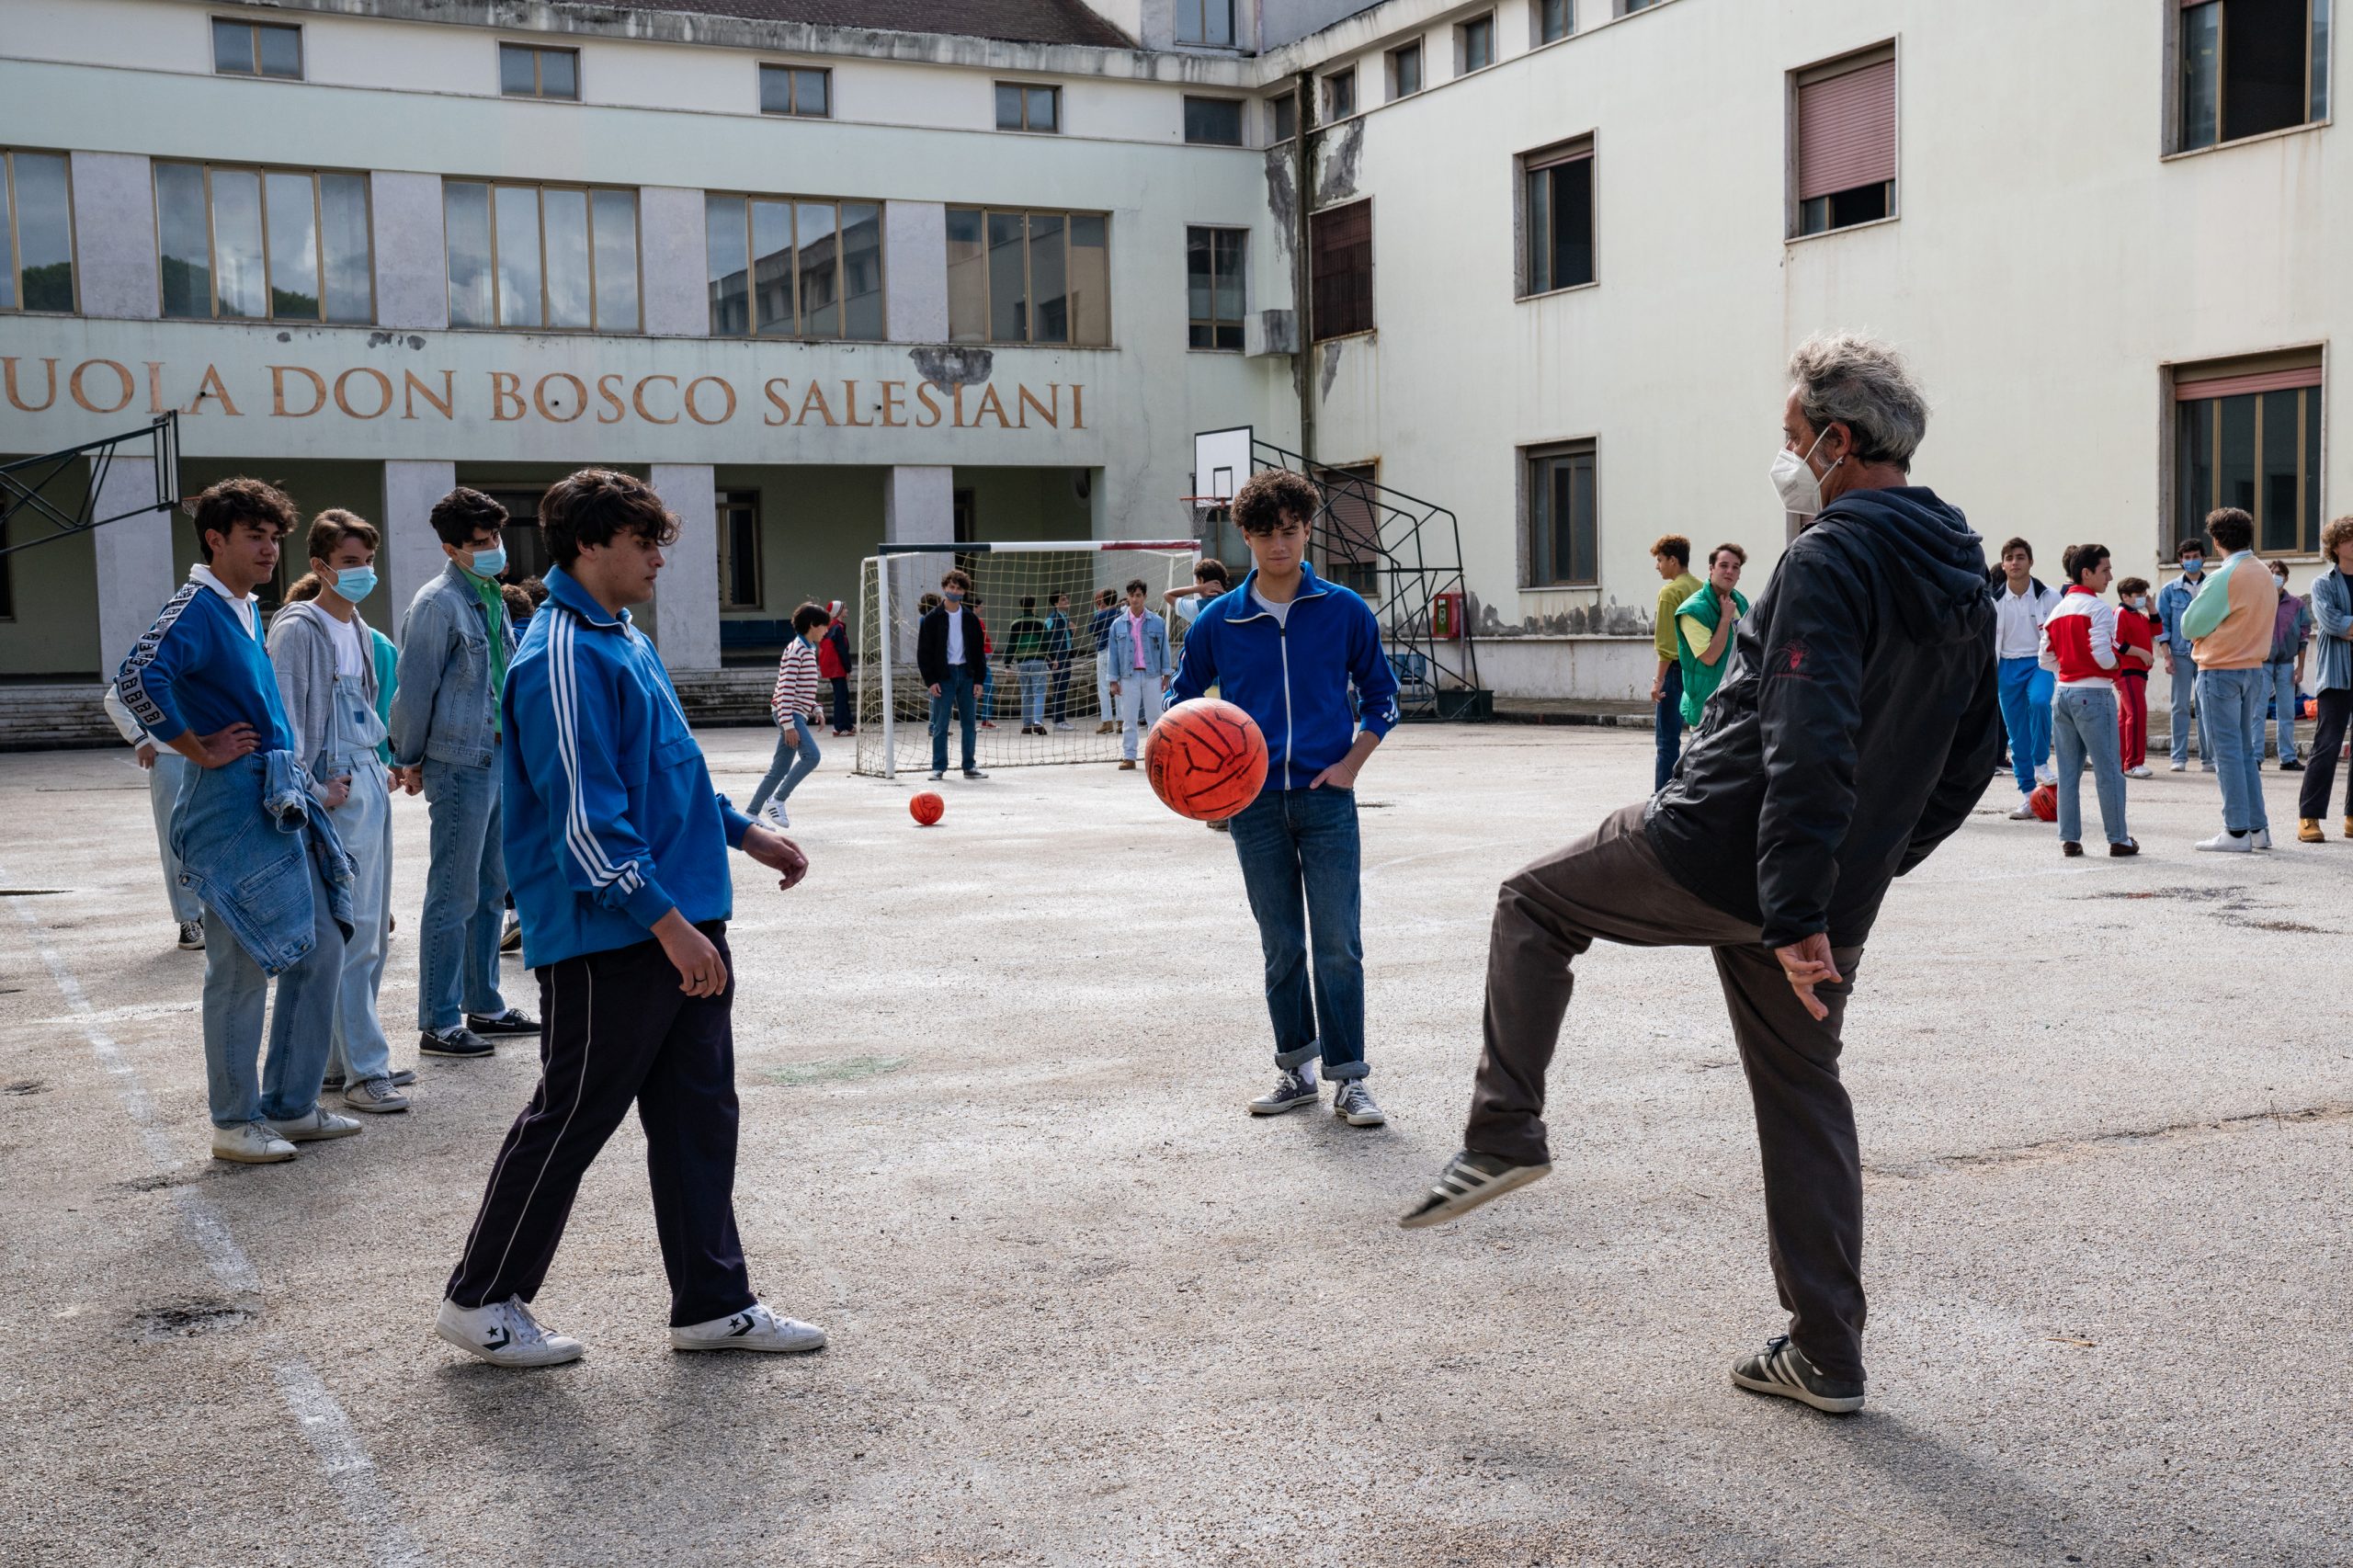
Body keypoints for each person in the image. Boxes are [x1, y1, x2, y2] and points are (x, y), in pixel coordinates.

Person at [1404, 335, 2001, 1419]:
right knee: (1802, 1095)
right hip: (1813, 889)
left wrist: (1796, 902)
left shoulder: (1828, 556)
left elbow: (1806, 737)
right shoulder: (1961, 567)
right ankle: (1825, 1353)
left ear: (1836, 439)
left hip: (1722, 850)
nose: (1784, 458)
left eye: (1790, 439)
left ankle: (1501, 1134)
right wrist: (1853, 878)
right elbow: (1972, 754)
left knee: (1533, 901)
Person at [436, 468, 823, 1368]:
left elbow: (669, 771)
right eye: (642, 541)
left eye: (660, 541)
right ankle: (481, 1296)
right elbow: (585, 818)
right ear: (587, 544)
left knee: (697, 1116)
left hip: (676, 916)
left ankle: (713, 1302)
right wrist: (666, 923)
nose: (658, 557)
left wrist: (744, 833)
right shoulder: (561, 652)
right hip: (614, 932)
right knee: (571, 1116)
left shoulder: (624, 638)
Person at [116, 479, 360, 1164]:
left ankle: (289, 1106)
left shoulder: (243, 606)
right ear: (215, 539)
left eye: (276, 536)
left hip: (278, 795)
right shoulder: (196, 605)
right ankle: (233, 1121)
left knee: (322, 948)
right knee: (239, 967)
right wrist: (196, 746)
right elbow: (137, 677)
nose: (270, 549)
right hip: (227, 805)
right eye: (255, 536)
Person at [1172, 469, 1400, 1127]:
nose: (1281, 544)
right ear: (1245, 535)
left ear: (1307, 531)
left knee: (1338, 944)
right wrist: (1205, 776)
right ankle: (1295, 1071)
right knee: (1281, 945)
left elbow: (1383, 698)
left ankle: (1350, 1080)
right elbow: (1179, 699)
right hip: (1254, 807)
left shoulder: (1346, 611)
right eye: (1267, 533)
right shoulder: (1221, 619)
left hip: (1328, 800)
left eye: (1292, 531)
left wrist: (1353, 764)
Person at [267, 510, 410, 1114]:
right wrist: (310, 789)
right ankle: (365, 1071)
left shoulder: (358, 631)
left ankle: (338, 1060)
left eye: (366, 561)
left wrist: (387, 759)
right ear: (320, 565)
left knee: (370, 926)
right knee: (352, 930)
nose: (362, 573)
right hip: (335, 787)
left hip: (366, 777)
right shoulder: (299, 628)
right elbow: (286, 721)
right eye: (350, 562)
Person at [389, 487, 539, 1060]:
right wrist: (408, 756)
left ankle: (486, 1003)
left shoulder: (491, 596)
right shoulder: (436, 604)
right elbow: (415, 687)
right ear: (451, 548)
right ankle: (438, 1018)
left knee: (487, 889)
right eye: (479, 542)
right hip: (457, 760)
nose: (493, 548)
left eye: (496, 537)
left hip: (497, 754)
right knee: (451, 894)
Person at [2182, 508, 2274, 852]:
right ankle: (2257, 828)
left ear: (2216, 540)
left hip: (2220, 668)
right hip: (2253, 667)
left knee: (2227, 753)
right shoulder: (2263, 571)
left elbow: (2189, 626)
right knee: (2245, 750)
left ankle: (2236, 830)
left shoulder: (2224, 576)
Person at [2039, 543, 2135, 858]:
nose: (2110, 576)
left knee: (2068, 773)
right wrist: (2120, 666)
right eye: (2105, 569)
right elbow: (2105, 656)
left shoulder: (2057, 610)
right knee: (2108, 770)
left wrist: (2069, 669)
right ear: (2087, 573)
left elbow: (2045, 658)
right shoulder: (2099, 609)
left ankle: (2069, 838)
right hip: (2093, 694)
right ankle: (2118, 838)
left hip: (2063, 693)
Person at [103, 682, 205, 951]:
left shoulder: (211, 644)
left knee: (212, 838)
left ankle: (215, 916)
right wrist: (139, 739)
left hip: (213, 755)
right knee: (176, 841)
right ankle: (189, 920)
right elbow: (114, 698)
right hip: (170, 758)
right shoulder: (154, 651)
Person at [1990, 537, 2062, 816]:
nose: (2014, 563)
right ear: (2004, 564)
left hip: (2039, 663)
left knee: (2041, 700)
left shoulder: (2049, 596)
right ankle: (2027, 796)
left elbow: (2059, 633)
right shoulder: (1995, 600)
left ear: (2030, 561)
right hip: (2006, 667)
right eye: (2009, 558)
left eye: (2020, 557)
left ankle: (2041, 761)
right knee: (2016, 735)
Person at [2295, 515, 2353, 843]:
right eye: (2348, 538)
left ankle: (2351, 816)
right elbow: (2332, 623)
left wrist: (2349, 627)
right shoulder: (2324, 583)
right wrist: (2345, 628)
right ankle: (2309, 816)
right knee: (2327, 744)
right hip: (2337, 674)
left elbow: (2345, 624)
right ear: (2334, 546)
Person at [747, 602, 828, 828]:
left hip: (795, 713)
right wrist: (788, 724)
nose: (826, 630)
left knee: (779, 768)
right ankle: (778, 800)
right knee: (812, 756)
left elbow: (802, 689)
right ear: (813, 625)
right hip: (788, 713)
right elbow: (785, 689)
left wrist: (815, 708)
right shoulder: (796, 651)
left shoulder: (808, 649)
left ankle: (751, 813)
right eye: (824, 626)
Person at [917, 568, 989, 782]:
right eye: (951, 587)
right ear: (944, 588)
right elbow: (924, 653)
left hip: (966, 673)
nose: (954, 591)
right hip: (944, 675)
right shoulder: (932, 618)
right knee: (940, 724)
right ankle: (938, 766)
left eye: (958, 588)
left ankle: (969, 765)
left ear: (964, 592)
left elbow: (979, 653)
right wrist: (931, 680)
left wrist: (979, 680)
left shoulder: (970, 619)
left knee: (969, 723)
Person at [1673, 543, 1750, 727]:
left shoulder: (1739, 602)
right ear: (1711, 569)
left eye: (1735, 567)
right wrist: (1725, 619)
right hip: (1708, 706)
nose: (1729, 571)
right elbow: (1709, 657)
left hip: (1737, 701)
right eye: (1723, 565)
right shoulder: (1693, 610)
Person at [1649, 536, 1704, 790]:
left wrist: (1658, 680)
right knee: (1701, 737)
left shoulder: (1669, 592)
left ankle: (1663, 797)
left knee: (1667, 741)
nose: (1657, 566)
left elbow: (1667, 646)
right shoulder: (1703, 587)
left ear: (1673, 560)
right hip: (1704, 668)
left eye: (1660, 560)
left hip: (1675, 671)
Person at [2155, 536, 2212, 771]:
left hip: (2208, 653)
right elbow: (2162, 627)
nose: (2191, 561)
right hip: (2180, 653)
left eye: (2195, 557)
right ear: (2180, 561)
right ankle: (2178, 758)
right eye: (2187, 558)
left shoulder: (2213, 587)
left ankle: (2208, 758)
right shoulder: (2170, 590)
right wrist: (2167, 656)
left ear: (2203, 558)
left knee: (2205, 706)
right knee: (2179, 706)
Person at [1108, 578, 1172, 770]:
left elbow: (1164, 650)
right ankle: (1129, 756)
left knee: (1155, 718)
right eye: (1131, 595)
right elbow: (1113, 654)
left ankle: (1155, 756)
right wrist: (1113, 680)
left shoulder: (1158, 621)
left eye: (1138, 595)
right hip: (1129, 676)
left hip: (1152, 674)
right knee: (1129, 718)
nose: (1134, 599)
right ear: (1127, 597)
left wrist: (1166, 675)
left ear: (1144, 596)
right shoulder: (1117, 624)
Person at [2263, 559, 2311, 771]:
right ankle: (2255, 756)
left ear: (2286, 578)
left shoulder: (2297, 604)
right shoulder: (2259, 600)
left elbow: (2303, 636)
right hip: (2262, 663)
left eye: (2279, 573)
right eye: (2272, 572)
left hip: (2286, 664)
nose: (2275, 576)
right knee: (2257, 711)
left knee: (2287, 712)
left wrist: (2300, 667)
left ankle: (2288, 757)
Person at [2112, 575, 2158, 778]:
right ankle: (2133, 763)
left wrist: (2152, 608)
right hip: (2127, 671)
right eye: (2138, 595)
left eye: (2144, 594)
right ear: (2125, 596)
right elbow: (2116, 642)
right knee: (2137, 714)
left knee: (2125, 718)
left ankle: (2122, 761)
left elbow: (2157, 629)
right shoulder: (2121, 613)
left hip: (2139, 673)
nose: (2142, 598)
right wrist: (2140, 652)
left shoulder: (2138, 615)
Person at [1006, 596, 1051, 734]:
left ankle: (1026, 725)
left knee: (1026, 693)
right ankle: (1037, 722)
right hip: (1038, 660)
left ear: (1021, 606)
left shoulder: (1015, 623)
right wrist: (1052, 658)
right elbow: (1046, 643)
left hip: (1022, 661)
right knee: (1039, 692)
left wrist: (1007, 663)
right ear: (1034, 606)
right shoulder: (1040, 622)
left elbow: (1011, 645)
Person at [1164, 557, 1233, 629]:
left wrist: (1200, 588)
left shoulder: (1196, 608)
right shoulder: (1235, 600)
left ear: (1201, 580)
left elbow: (1167, 595)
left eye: (1197, 583)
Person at [819, 603, 855, 736]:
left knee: (843, 696)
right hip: (837, 668)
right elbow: (842, 650)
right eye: (844, 608)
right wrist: (848, 668)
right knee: (841, 697)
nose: (847, 610)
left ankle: (848, 725)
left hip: (834, 668)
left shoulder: (831, 627)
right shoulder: (837, 628)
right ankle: (839, 727)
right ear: (839, 611)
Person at [1043, 589, 1076, 731]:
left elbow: (1067, 638)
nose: (1066, 601)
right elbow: (1044, 637)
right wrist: (1050, 657)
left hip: (1066, 655)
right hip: (1057, 657)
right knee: (1059, 687)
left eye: (1067, 598)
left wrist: (1072, 631)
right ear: (1056, 603)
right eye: (1063, 599)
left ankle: (1062, 719)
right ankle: (1057, 721)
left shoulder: (1065, 618)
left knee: (1064, 687)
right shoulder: (1051, 619)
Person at [1089, 587, 1120, 734]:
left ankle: (1107, 722)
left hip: (1104, 651)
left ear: (1103, 600)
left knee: (1103, 687)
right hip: (1119, 652)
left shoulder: (1101, 615)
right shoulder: (1121, 614)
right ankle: (1121, 721)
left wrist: (1100, 611)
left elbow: (1092, 630)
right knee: (1120, 687)